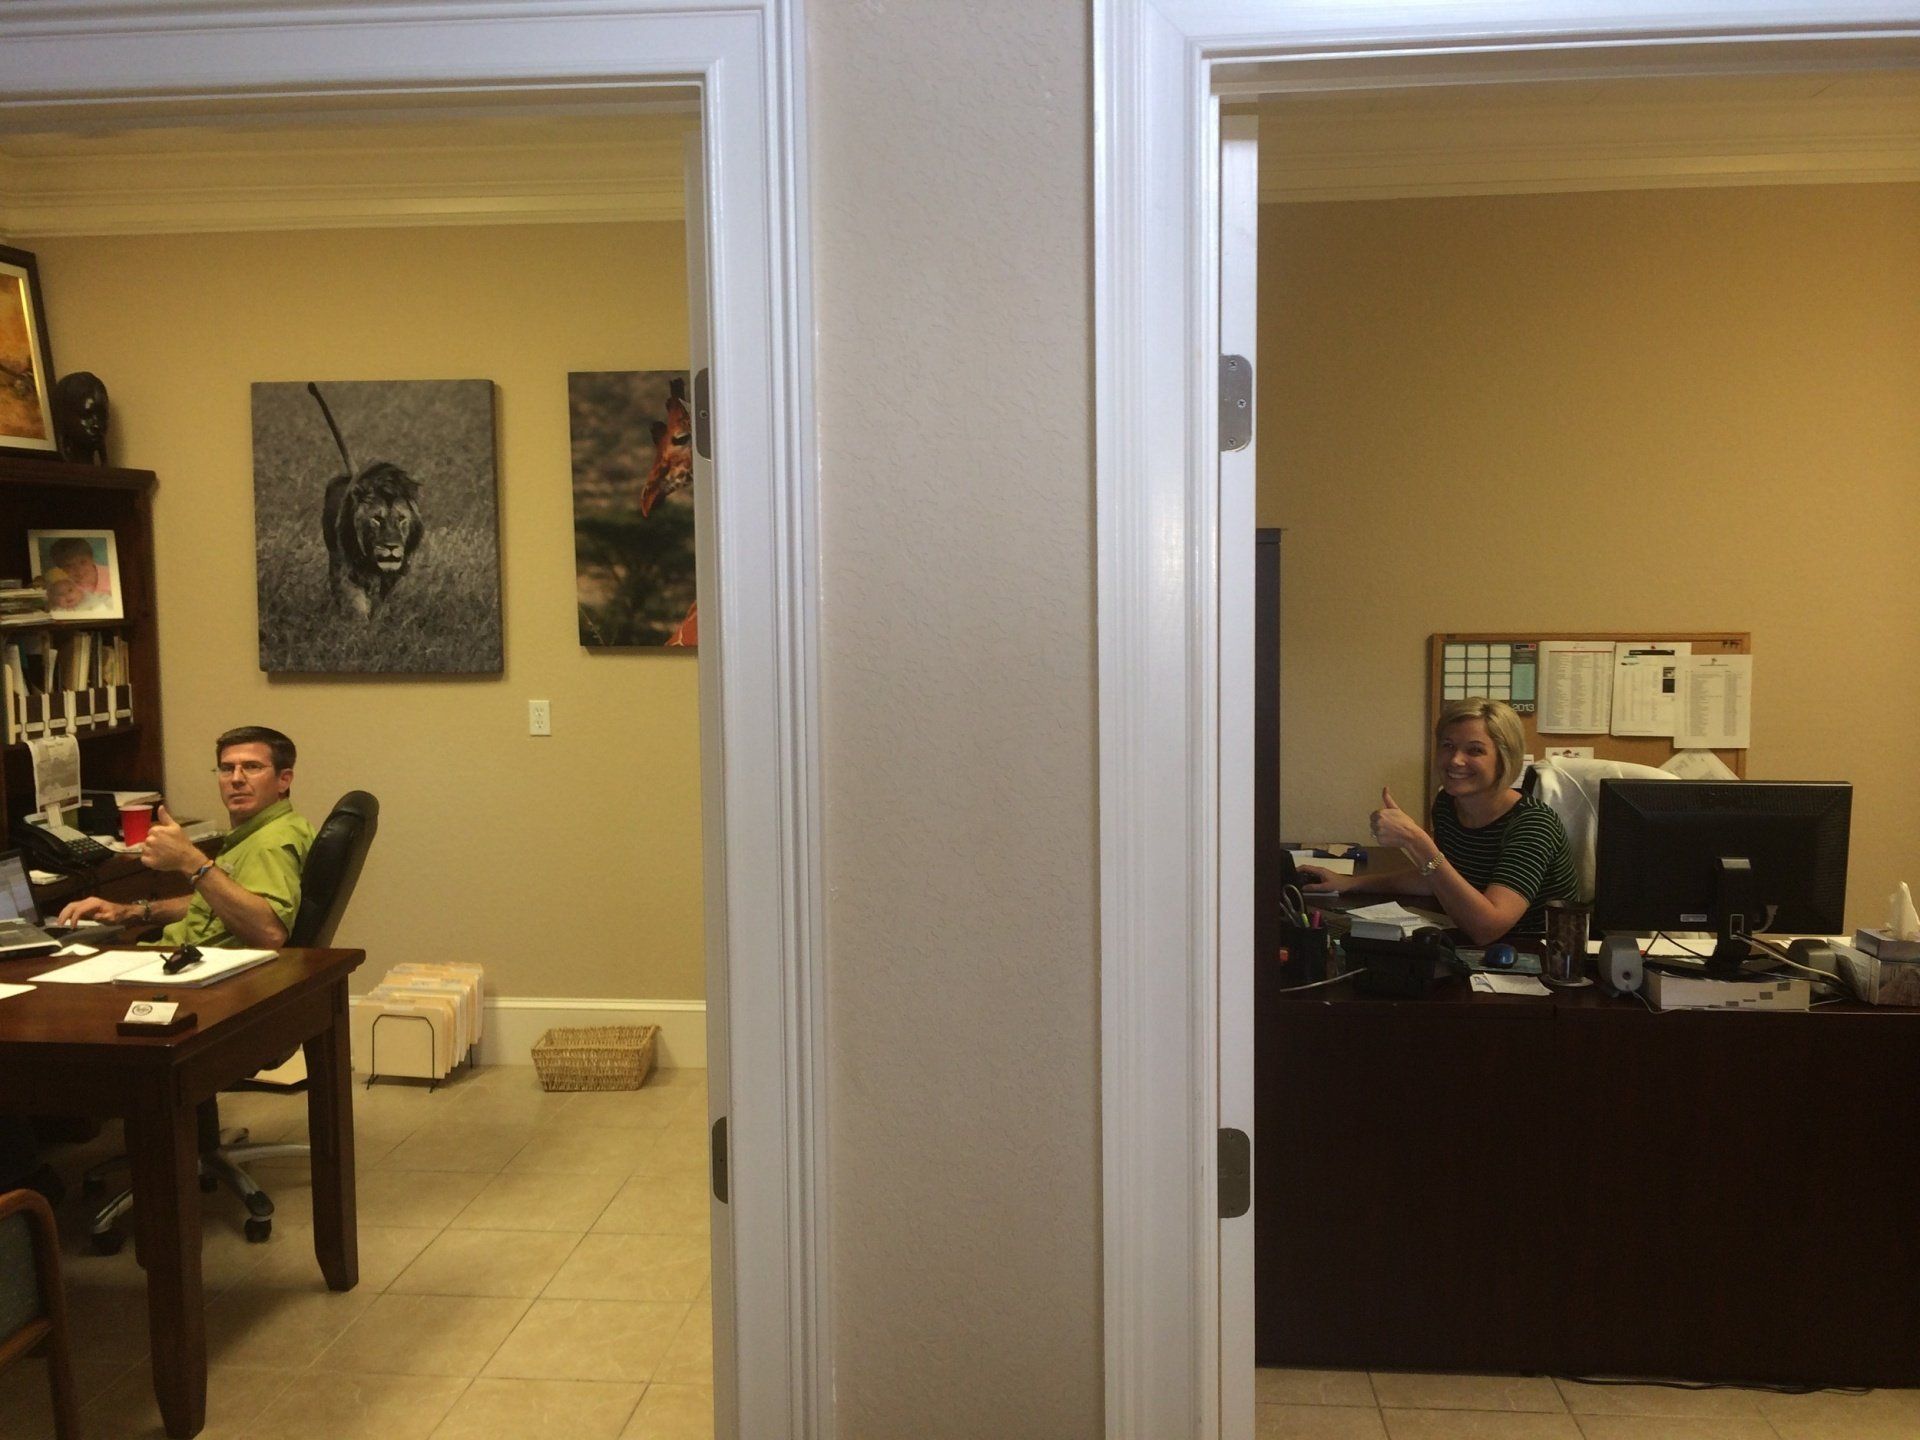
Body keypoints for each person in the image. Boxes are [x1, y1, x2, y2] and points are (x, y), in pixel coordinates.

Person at [1299, 697, 1577, 945]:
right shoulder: (1448, 803)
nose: (1455, 760)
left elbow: (1487, 928)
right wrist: (1351, 883)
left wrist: (1416, 841)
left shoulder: (1533, 824)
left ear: (1505, 758)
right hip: (1466, 942)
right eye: (1448, 746)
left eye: (1475, 750)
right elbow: (1436, 877)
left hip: (1529, 958)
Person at [57, 726, 315, 948]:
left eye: (252, 767)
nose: (236, 779)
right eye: (227, 769)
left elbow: (269, 934)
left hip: (192, 973)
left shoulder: (270, 843)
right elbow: (215, 905)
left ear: (284, 780)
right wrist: (132, 912)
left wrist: (191, 861)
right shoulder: (271, 828)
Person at [47, 535, 112, 606]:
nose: (79, 570)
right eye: (69, 566)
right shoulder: (65, 587)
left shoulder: (111, 573)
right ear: (61, 568)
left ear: (92, 559)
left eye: (83, 562)